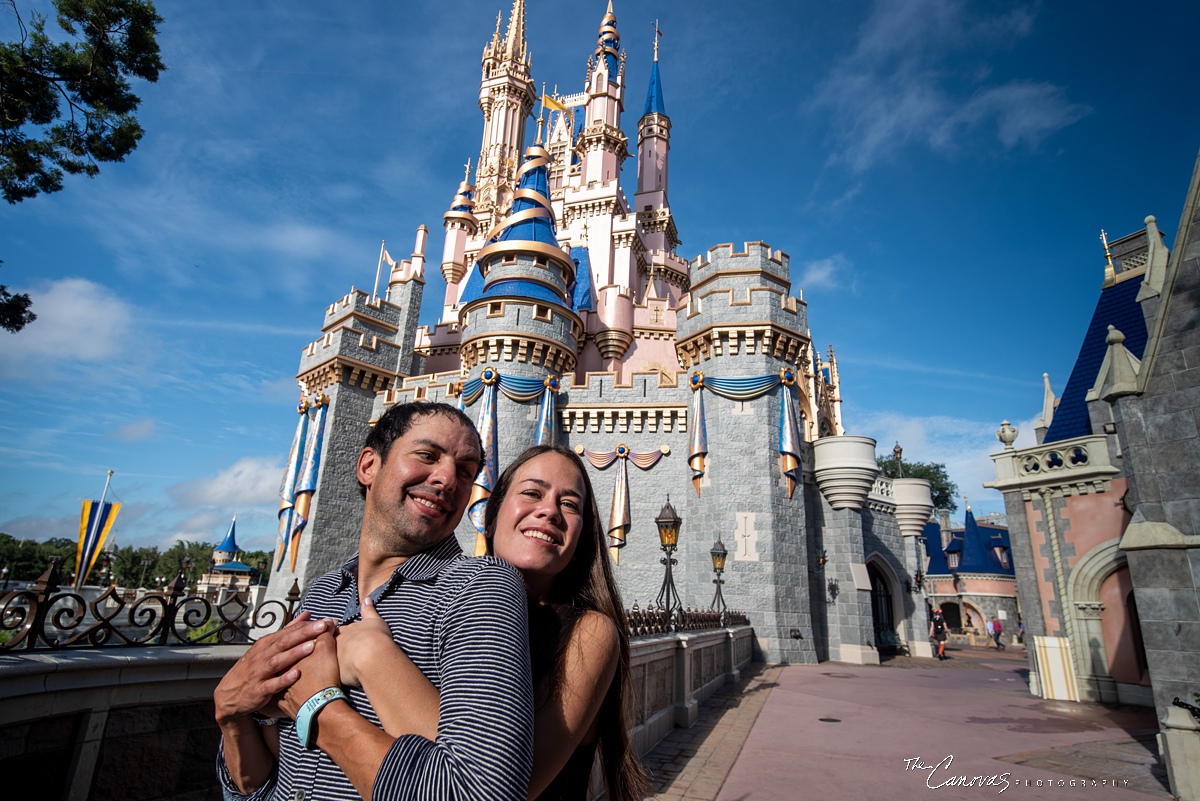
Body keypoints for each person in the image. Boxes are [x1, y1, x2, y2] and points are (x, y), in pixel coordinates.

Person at [214, 402, 535, 801]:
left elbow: (481, 794)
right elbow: (260, 788)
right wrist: (232, 716)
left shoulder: (477, 587)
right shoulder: (322, 593)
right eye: (427, 455)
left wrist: (319, 706)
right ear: (369, 465)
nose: (448, 478)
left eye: (466, 471)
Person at [337, 444, 650, 801]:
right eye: (532, 493)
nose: (549, 511)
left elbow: (501, 784)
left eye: (570, 505)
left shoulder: (589, 632)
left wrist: (370, 658)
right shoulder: (439, 608)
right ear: (491, 516)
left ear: (580, 538)